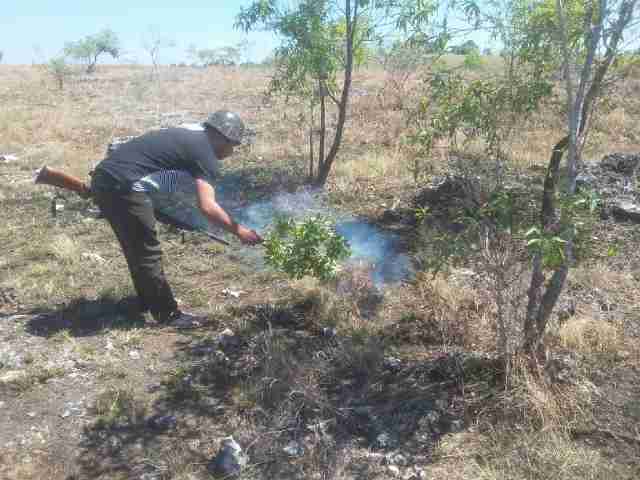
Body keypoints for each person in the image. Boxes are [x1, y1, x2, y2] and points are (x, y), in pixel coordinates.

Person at [90, 111, 262, 328]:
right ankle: (168, 314)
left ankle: (148, 301)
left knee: (136, 247)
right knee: (147, 252)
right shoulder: (205, 152)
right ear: (223, 137)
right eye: (232, 145)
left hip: (107, 177)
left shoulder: (190, 133)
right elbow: (208, 207)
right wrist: (241, 231)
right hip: (125, 185)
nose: (231, 151)